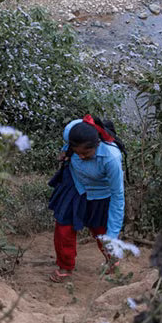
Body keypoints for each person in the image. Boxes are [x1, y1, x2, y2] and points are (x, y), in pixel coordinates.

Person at [47, 116, 125, 282]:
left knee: (101, 232)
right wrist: (65, 150)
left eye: (86, 153)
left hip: (100, 193)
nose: (81, 157)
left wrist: (113, 233)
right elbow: (77, 132)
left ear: (97, 144)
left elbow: (118, 196)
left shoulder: (112, 159)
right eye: (77, 153)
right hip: (75, 185)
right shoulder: (72, 131)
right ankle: (65, 267)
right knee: (63, 227)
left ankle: (112, 261)